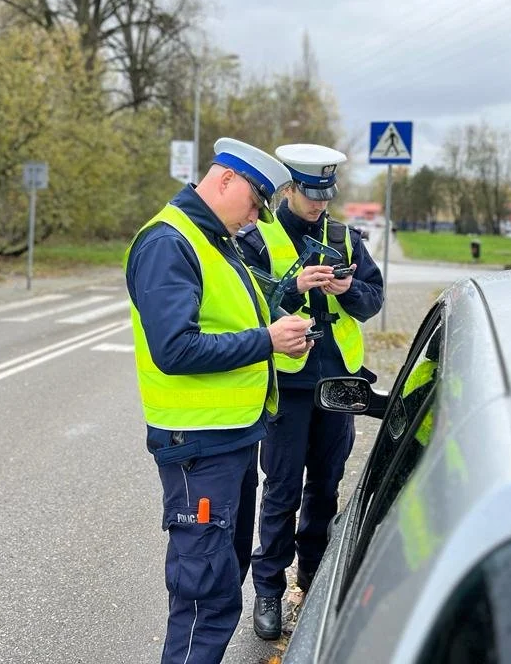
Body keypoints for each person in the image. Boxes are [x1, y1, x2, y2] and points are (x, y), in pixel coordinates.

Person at [124, 137, 316, 664]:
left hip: (229, 440)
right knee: (204, 597)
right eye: (255, 203)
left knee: (220, 583)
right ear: (225, 180)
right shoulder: (170, 242)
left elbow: (228, 319)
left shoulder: (216, 239)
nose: (255, 218)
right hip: (198, 448)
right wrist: (267, 341)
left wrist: (277, 323)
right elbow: (174, 347)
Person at [236, 143, 384, 640]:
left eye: (326, 195)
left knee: (325, 486)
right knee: (280, 490)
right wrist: (295, 285)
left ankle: (314, 576)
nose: (320, 205)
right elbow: (249, 306)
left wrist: (349, 291)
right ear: (289, 188)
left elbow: (372, 300)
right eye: (311, 195)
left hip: (338, 384)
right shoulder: (258, 236)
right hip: (287, 386)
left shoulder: (344, 237)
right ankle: (269, 590)